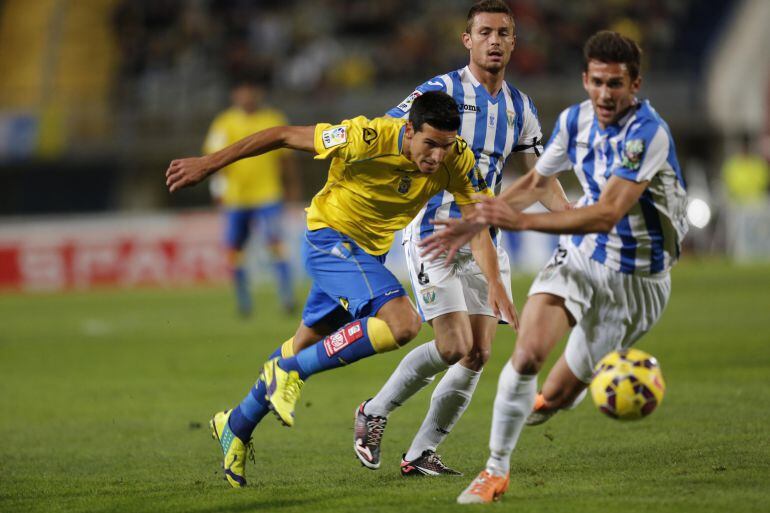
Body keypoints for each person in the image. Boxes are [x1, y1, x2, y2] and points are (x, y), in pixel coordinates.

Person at [166, 91, 512, 488]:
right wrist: (209, 164)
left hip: (366, 257)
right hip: (328, 240)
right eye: (429, 144)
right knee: (402, 324)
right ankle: (290, 374)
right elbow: (281, 135)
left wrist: (496, 284)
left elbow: (479, 223)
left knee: (302, 343)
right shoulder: (365, 137)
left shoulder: (457, 160)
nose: (436, 156)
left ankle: (236, 423)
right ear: (409, 129)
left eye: (445, 146)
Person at [420, 31, 689, 504]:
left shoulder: (647, 134)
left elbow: (608, 212)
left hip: (638, 282)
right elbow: (537, 181)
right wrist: (477, 220)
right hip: (585, 256)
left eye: (617, 84)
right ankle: (494, 472)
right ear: (585, 80)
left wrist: (520, 222)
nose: (606, 94)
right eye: (598, 82)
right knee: (525, 356)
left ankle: (560, 393)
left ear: (635, 85)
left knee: (555, 398)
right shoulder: (574, 122)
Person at [353, 0, 569, 477]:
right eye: (485, 32)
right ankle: (374, 411)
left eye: (504, 33)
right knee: (452, 346)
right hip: (433, 230)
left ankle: (420, 453)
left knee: (478, 353)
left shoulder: (520, 106)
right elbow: (393, 133)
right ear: (467, 40)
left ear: (514, 42)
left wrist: (574, 218)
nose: (495, 41)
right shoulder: (440, 90)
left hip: (483, 238)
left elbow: (540, 178)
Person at [203, 79, 300, 316]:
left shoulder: (273, 119)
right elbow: (214, 160)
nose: (246, 96)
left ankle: (287, 298)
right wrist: (217, 190)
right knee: (235, 249)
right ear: (235, 95)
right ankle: (244, 301)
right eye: (241, 91)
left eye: (250, 91)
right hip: (236, 197)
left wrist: (292, 185)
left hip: (268, 194)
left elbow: (286, 159)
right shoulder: (224, 123)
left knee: (277, 245)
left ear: (258, 93)